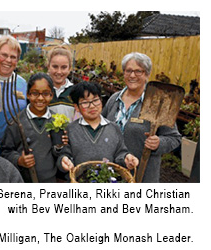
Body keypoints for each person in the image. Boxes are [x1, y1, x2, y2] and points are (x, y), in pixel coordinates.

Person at [102, 52, 181, 183]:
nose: (132, 75)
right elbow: (100, 126)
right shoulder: (114, 99)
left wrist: (159, 143)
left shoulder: (158, 103)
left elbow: (174, 138)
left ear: (147, 74)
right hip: (110, 170)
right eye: (128, 71)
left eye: (138, 71)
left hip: (142, 175)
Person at [58, 81, 139, 174]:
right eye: (85, 102)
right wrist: (63, 161)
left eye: (95, 100)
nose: (92, 106)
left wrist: (126, 158)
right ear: (76, 107)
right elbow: (64, 155)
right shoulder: (71, 129)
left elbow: (120, 153)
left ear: (101, 101)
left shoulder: (113, 128)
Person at [0, 73, 68, 183]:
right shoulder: (17, 123)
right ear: (28, 95)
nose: (40, 98)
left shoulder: (57, 122)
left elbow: (61, 152)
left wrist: (61, 149)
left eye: (46, 94)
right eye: (35, 93)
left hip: (50, 180)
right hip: (23, 181)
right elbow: (5, 152)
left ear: (51, 95)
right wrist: (19, 160)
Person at [47, 46, 79, 122]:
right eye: (55, 66)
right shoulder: (42, 90)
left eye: (64, 67)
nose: (59, 72)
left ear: (69, 68)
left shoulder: (75, 92)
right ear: (48, 67)